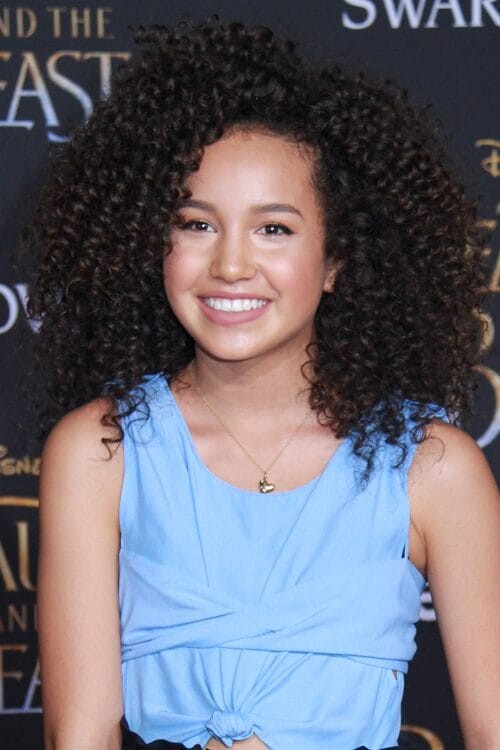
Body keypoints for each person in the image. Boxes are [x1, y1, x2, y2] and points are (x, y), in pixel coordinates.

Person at [24, 19, 499, 750]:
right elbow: (79, 735)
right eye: (196, 224)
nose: (230, 265)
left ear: (338, 259)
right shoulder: (100, 451)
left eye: (273, 229)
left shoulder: (433, 468)